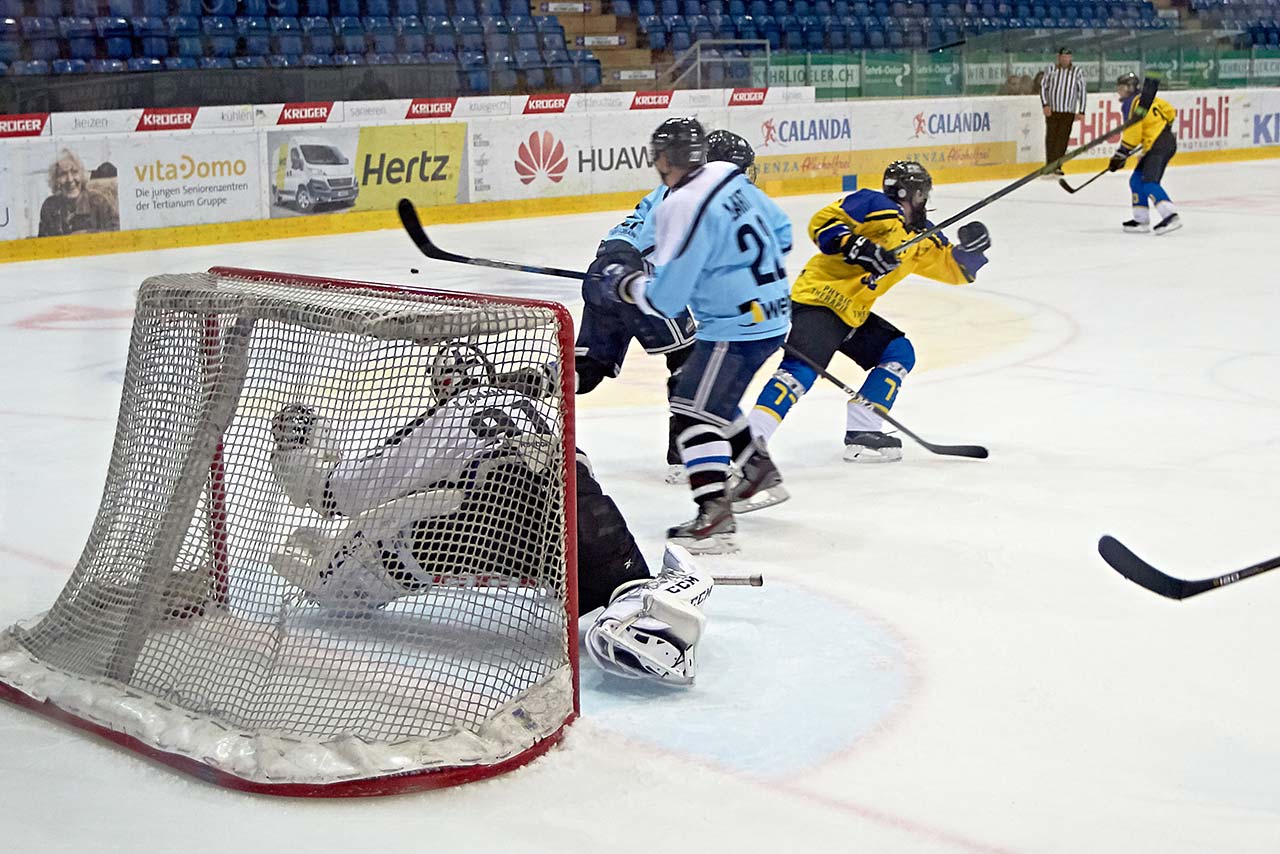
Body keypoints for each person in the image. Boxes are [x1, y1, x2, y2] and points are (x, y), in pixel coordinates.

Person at [267, 345, 715, 686]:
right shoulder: (537, 409)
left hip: (492, 526)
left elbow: (354, 492)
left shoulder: (445, 417)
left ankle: (343, 583)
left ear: (440, 386)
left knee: (359, 573)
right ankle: (640, 604)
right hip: (584, 514)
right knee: (623, 584)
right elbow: (582, 468)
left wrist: (312, 476)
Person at [733, 161, 990, 510]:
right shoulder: (874, 205)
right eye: (923, 193)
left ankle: (864, 430)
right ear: (914, 193)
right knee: (801, 370)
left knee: (899, 351)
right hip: (819, 299)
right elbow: (822, 223)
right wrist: (860, 248)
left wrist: (971, 251)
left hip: (853, 313)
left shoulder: (921, 238)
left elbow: (954, 268)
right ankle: (748, 447)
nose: (925, 200)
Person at [597, 117, 792, 554]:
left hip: (736, 326)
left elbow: (666, 299)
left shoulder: (678, 206)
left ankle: (714, 514)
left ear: (663, 159)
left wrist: (626, 285)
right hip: (773, 312)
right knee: (706, 394)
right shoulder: (732, 180)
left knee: (691, 412)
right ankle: (756, 468)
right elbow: (782, 232)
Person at [578, 128, 760, 484]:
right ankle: (690, 457)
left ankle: (507, 391)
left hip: (606, 274)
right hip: (640, 277)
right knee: (692, 364)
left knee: (585, 370)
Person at [1109, 72, 1180, 235]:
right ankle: (1141, 220)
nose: (1119, 92)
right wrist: (1159, 130)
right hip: (1163, 141)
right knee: (1136, 180)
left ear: (1129, 88)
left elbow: (1133, 130)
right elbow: (1170, 112)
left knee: (1149, 182)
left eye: (1121, 88)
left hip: (1158, 144)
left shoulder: (1131, 103)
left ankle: (1170, 216)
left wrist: (1122, 152)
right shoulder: (1150, 100)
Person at [37, 149, 119, 237]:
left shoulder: (99, 201)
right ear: (55, 179)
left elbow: (117, 233)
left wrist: (86, 234)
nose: (70, 179)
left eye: (75, 172)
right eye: (63, 174)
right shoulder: (50, 206)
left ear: (81, 174)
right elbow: (42, 242)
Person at [1039, 47, 1086, 177]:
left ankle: (1057, 165)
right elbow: (1043, 87)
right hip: (1053, 110)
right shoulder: (1051, 69)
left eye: (1068, 57)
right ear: (1058, 57)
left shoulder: (1077, 72)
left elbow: (1082, 91)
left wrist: (1081, 111)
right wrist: (1045, 104)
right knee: (1051, 137)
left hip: (1068, 111)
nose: (1065, 59)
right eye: (1063, 57)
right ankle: (1050, 164)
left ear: (1071, 58)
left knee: (1062, 139)